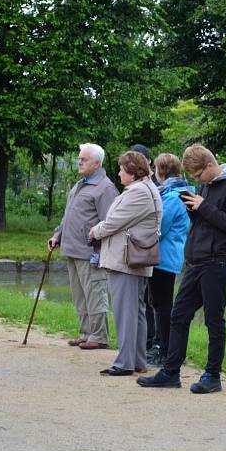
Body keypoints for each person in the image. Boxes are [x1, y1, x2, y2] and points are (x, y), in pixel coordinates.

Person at [137, 144, 226, 393]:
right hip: (196, 261)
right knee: (178, 315)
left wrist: (204, 207)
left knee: (213, 319)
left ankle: (212, 375)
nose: (197, 180)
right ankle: (171, 371)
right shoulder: (206, 186)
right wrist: (194, 210)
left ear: (209, 165)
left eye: (198, 175)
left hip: (217, 262)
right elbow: (207, 220)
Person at [89, 151, 162, 376]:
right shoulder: (144, 188)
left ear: (132, 171)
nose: (119, 173)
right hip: (132, 259)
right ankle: (137, 360)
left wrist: (96, 231)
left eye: (122, 169)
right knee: (136, 311)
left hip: (126, 260)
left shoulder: (139, 192)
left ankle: (124, 363)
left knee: (126, 312)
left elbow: (115, 221)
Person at [48, 143, 118, 350]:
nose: (79, 161)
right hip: (71, 249)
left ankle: (99, 336)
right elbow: (68, 215)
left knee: (95, 294)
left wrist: (99, 247)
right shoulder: (80, 184)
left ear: (97, 163)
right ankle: (86, 332)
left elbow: (110, 222)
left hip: (90, 252)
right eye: (79, 158)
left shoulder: (105, 188)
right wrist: (57, 235)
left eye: (84, 159)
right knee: (80, 296)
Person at [146, 153, 192, 366]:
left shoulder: (173, 197)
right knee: (157, 303)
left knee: (162, 306)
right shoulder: (175, 192)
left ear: (161, 171)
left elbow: (159, 227)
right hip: (164, 256)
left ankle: (165, 349)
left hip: (164, 257)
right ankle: (160, 346)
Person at [130, 143, 160, 358]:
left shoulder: (153, 186)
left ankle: (153, 342)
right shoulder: (134, 186)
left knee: (152, 301)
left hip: (150, 250)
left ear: (148, 162)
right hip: (139, 249)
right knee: (144, 299)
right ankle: (146, 342)